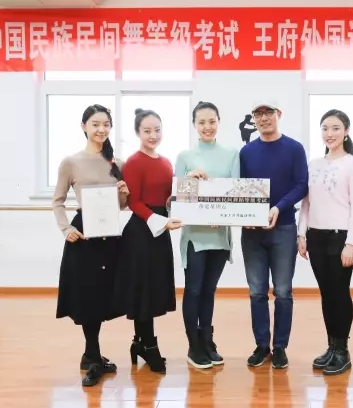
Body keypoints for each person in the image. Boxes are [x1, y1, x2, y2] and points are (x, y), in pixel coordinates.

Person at [52, 104, 130, 387]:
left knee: (104, 293)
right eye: (95, 124)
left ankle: (90, 354)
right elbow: (58, 201)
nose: (101, 129)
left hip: (109, 234)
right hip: (84, 235)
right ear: (83, 126)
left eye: (106, 124)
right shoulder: (70, 162)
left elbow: (121, 206)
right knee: (87, 294)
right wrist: (67, 229)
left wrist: (124, 194)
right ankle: (94, 357)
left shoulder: (116, 162)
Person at [239, 100, 309, 369]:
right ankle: (261, 346)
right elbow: (239, 188)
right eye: (258, 114)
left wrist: (279, 208)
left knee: (283, 291)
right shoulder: (246, 152)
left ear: (278, 114)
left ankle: (280, 347)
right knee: (257, 292)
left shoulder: (294, 148)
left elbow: (301, 185)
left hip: (284, 228)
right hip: (252, 233)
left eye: (268, 113)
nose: (263, 118)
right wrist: (242, 216)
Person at [112, 108, 182, 374]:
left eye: (157, 130)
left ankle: (140, 343)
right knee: (142, 290)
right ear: (137, 133)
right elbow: (134, 202)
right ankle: (148, 345)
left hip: (160, 230)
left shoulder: (166, 162)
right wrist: (160, 221)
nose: (153, 135)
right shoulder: (134, 162)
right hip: (141, 233)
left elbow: (168, 197)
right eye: (147, 131)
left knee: (153, 288)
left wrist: (189, 184)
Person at [297, 109, 353, 376]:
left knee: (339, 293)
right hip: (316, 236)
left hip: (341, 238)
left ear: (346, 131)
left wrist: (351, 243)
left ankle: (343, 351)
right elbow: (306, 203)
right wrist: (302, 234)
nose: (330, 133)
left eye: (336, 128)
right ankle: (332, 346)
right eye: (325, 128)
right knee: (326, 294)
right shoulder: (314, 164)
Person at [174, 101, 240, 369]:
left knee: (209, 291)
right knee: (194, 289)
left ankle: (207, 340)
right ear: (194, 125)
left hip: (220, 235)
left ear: (218, 122)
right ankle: (194, 345)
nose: (207, 127)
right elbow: (178, 200)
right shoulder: (185, 157)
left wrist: (223, 216)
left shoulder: (232, 154)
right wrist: (189, 179)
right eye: (201, 122)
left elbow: (236, 193)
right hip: (195, 236)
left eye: (212, 121)